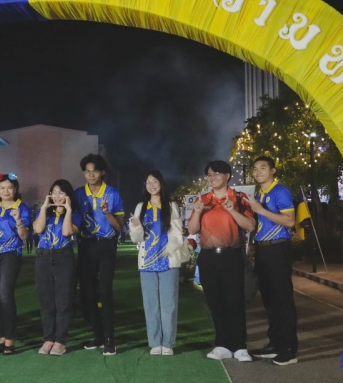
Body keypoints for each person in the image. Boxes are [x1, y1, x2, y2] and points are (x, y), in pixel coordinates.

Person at [187, 160, 255, 362]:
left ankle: (240, 345)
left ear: (227, 176)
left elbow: (250, 226)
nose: (212, 178)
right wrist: (198, 211)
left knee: (234, 301)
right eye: (209, 174)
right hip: (208, 257)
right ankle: (222, 344)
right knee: (214, 301)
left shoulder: (239, 198)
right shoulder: (203, 199)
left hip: (231, 255)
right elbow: (192, 229)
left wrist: (232, 210)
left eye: (216, 173)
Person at [248, 156, 298, 366]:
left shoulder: (280, 191)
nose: (258, 172)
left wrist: (260, 210)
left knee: (282, 299)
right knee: (269, 299)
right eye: (255, 169)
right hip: (263, 250)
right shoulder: (259, 194)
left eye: (263, 168)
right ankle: (275, 343)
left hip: (278, 248)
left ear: (273, 171)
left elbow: (290, 221)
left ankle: (289, 349)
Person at [129, 170, 184, 356]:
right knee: (150, 304)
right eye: (148, 182)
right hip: (147, 262)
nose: (151, 185)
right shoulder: (140, 207)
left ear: (161, 183)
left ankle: (168, 342)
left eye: (155, 181)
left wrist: (170, 248)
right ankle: (154, 342)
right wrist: (135, 226)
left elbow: (177, 233)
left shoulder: (171, 206)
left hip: (167, 259)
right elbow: (136, 239)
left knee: (169, 304)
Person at [75, 154, 124, 356]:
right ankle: (98, 335)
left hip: (106, 246)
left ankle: (110, 339)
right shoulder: (78, 194)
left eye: (94, 171)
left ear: (102, 172)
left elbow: (119, 226)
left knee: (104, 291)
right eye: (87, 171)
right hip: (86, 246)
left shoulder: (112, 194)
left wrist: (106, 212)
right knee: (88, 293)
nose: (91, 175)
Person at [33, 179, 82, 356]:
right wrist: (44, 208)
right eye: (54, 192)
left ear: (68, 195)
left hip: (64, 257)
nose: (57, 196)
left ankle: (60, 341)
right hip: (43, 257)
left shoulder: (76, 214)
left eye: (61, 192)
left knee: (63, 302)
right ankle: (48, 339)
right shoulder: (44, 213)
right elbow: (38, 230)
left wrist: (67, 210)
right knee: (46, 302)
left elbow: (67, 232)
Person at [0, 172, 31, 355]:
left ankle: (11, 338)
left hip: (11, 255)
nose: (6, 191)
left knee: (5, 295)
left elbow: (24, 236)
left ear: (15, 189)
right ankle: (2, 337)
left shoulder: (22, 208)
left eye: (9, 188)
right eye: (2, 188)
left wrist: (18, 219)